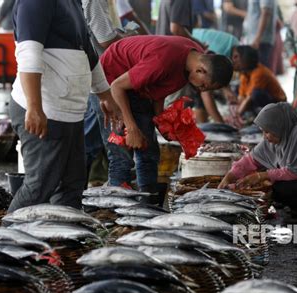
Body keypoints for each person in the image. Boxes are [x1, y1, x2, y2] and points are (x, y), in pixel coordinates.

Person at [8, 0, 120, 211]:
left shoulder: (74, 2)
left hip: (70, 110)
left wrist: (105, 95)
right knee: (39, 185)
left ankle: (60, 239)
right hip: (45, 109)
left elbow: (88, 51)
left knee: (72, 184)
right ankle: (6, 239)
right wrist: (34, 107)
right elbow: (28, 53)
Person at [99, 35, 233, 195]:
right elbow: (117, 87)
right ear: (200, 70)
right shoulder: (163, 61)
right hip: (110, 83)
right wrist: (131, 127)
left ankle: (147, 201)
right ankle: (116, 207)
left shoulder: (193, 58)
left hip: (135, 87)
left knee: (148, 151)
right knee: (122, 155)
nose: (201, 90)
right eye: (203, 85)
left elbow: (159, 88)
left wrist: (161, 121)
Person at [82, 0, 128, 187]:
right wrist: (129, 39)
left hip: (95, 75)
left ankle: (72, 195)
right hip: (102, 77)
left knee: (92, 140)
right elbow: (105, 39)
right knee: (113, 144)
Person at [232, 45, 286, 116]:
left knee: (256, 94)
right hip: (263, 99)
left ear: (246, 58)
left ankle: (268, 115)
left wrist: (237, 114)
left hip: (278, 104)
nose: (234, 60)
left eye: (237, 57)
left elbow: (249, 98)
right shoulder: (245, 73)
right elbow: (241, 96)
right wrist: (237, 108)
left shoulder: (260, 72)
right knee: (237, 88)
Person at [243, 0, 278, 68]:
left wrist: (257, 38)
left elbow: (265, 13)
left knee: (260, 71)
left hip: (261, 41)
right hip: (253, 40)